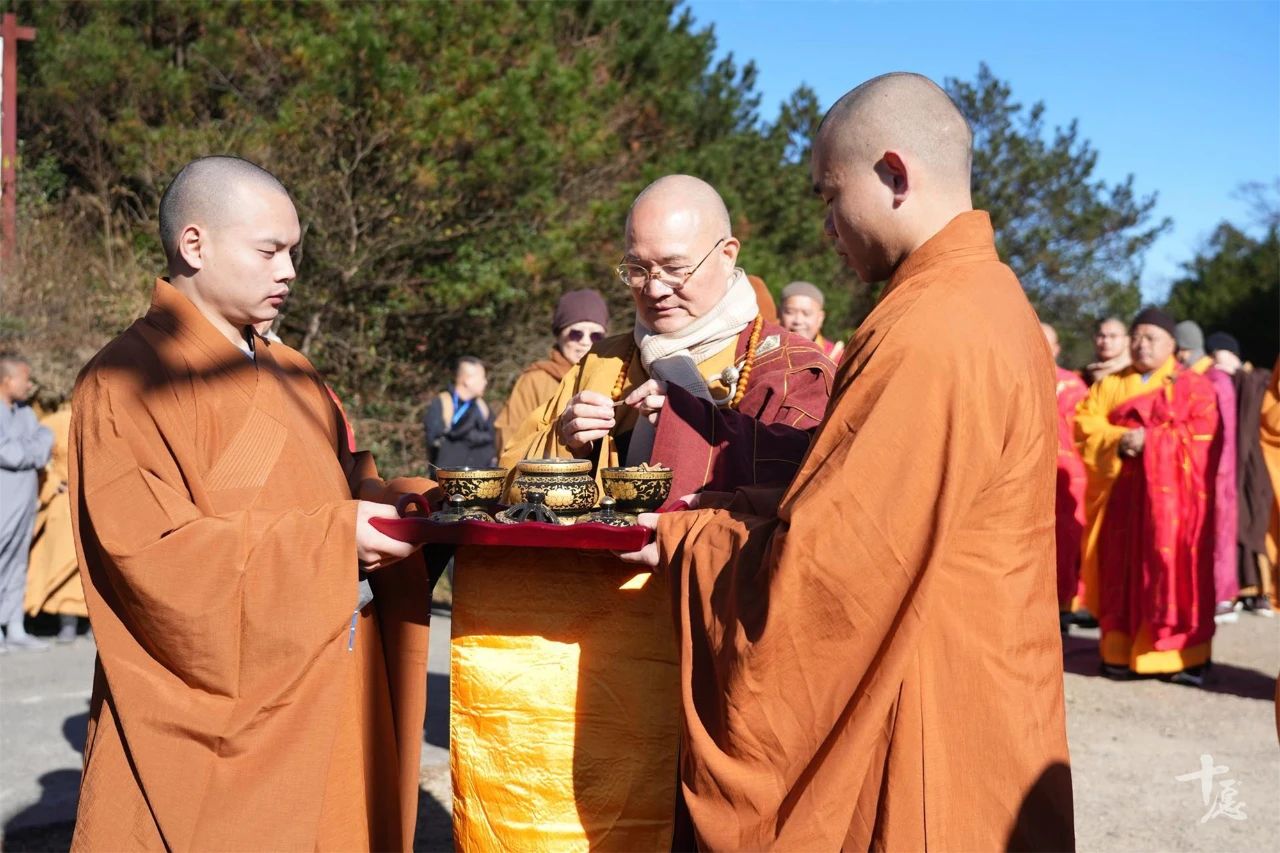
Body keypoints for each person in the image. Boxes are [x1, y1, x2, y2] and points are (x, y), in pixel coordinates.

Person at [623, 73, 1073, 850]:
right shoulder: (990, 300)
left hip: (932, 727)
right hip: (989, 702)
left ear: (895, 175)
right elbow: (880, 505)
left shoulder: (932, 330)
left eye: (831, 197)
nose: (828, 227)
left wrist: (684, 539)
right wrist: (749, 509)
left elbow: (829, 579)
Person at [68, 155, 438, 850]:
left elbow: (345, 482)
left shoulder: (295, 370)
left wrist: (419, 504)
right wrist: (333, 542)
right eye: (270, 250)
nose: (290, 270)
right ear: (195, 245)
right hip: (215, 722)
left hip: (330, 687)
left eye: (294, 251)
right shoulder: (124, 382)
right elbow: (153, 561)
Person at [502, 174, 835, 502]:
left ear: (727, 255)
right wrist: (566, 443)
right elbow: (504, 482)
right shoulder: (603, 362)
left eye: (675, 269)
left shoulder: (794, 370)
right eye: (637, 269)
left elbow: (809, 496)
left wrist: (694, 427)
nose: (654, 290)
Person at [1075, 308, 1218, 685]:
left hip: (1172, 505)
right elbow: (1085, 425)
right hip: (1122, 496)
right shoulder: (1110, 384)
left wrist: (1151, 441)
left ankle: (1177, 657)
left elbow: (1203, 437)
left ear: (1172, 345)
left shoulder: (1192, 385)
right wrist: (1121, 439)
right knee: (1120, 572)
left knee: (1171, 572)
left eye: (1150, 337)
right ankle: (1119, 653)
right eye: (1136, 336)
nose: (1141, 344)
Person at [493, 289, 609, 457]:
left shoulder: (612, 378)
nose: (585, 342)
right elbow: (509, 442)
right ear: (559, 335)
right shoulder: (534, 381)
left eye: (596, 336)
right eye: (576, 334)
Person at [1176, 320, 1240, 619]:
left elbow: (1223, 436)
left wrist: (1217, 473)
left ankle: (1222, 595)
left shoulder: (1215, 380)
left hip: (1216, 470)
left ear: (1183, 351)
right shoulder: (1199, 376)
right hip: (1202, 470)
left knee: (1218, 530)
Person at [0, 352, 53, 653]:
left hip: (24, 499)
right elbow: (10, 453)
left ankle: (15, 625)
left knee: (19, 560)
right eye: (25, 378)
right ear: (7, 380)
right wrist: (30, 450)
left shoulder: (26, 413)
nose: (29, 385)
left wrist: (29, 449)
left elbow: (45, 440)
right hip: (4, 498)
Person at [23, 395, 87, 643]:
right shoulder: (69, 420)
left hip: (71, 499)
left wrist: (51, 486)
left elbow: (39, 464)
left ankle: (71, 623)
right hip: (79, 498)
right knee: (72, 559)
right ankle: (76, 622)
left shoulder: (54, 422)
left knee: (65, 559)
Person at [1043, 322, 1089, 627]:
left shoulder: (1073, 385)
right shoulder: (1015, 377)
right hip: (1034, 475)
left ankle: (1070, 604)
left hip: (1070, 473)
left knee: (1071, 540)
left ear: (1057, 349)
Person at [424, 355, 496, 469]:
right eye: (482, 377)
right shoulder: (442, 403)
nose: (485, 382)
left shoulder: (483, 408)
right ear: (467, 380)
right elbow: (433, 441)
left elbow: (494, 439)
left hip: (482, 480)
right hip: (447, 480)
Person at [779, 280, 844, 361]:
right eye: (790, 312)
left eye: (807, 313)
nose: (798, 321)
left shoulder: (837, 357)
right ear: (779, 313)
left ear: (820, 318)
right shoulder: (766, 352)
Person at [1082, 316, 1131, 385]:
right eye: (1101, 336)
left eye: (1113, 336)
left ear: (1127, 341)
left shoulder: (1138, 374)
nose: (1106, 341)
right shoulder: (1080, 377)